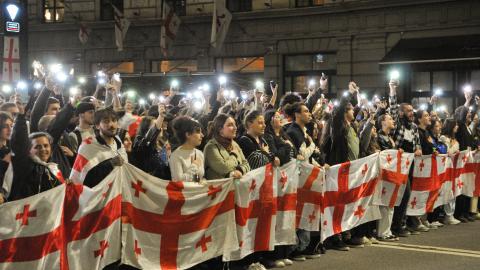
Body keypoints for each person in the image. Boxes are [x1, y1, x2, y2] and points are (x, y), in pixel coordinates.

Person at [8, 105, 64, 201]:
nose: (43, 149)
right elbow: (19, 143)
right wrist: (21, 117)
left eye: (46, 145)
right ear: (28, 150)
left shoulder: (53, 168)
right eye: (37, 147)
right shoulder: (24, 166)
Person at [389, 79, 422, 238]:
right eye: (408, 111)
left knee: (406, 195)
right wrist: (392, 89)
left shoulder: (414, 127)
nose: (412, 113)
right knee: (403, 194)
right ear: (402, 113)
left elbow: (418, 145)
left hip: (410, 165)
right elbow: (393, 107)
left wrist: (418, 150)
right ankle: (396, 225)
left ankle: (402, 223)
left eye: (412, 110)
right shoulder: (398, 124)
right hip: (398, 165)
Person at [70, 108, 128, 188]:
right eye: (106, 121)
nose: (112, 125)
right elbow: (85, 179)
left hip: (119, 192)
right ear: (97, 125)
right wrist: (110, 164)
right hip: (99, 197)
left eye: (114, 120)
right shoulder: (88, 146)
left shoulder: (119, 143)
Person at [203, 114, 250, 180]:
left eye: (235, 124)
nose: (235, 128)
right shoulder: (211, 147)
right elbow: (224, 168)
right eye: (230, 125)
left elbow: (246, 164)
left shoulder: (234, 144)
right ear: (220, 130)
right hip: (219, 188)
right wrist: (234, 155)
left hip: (236, 187)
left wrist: (240, 170)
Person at [439, 118, 461, 225]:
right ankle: (446, 214)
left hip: (453, 166)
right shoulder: (443, 138)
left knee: (453, 190)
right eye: (455, 125)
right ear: (451, 126)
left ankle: (450, 214)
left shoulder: (454, 139)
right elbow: (446, 152)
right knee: (446, 190)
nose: (457, 127)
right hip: (445, 167)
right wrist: (454, 151)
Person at [169, 116, 205, 182]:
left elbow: (199, 178)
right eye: (198, 132)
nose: (202, 135)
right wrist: (194, 166)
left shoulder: (199, 153)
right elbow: (178, 182)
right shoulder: (175, 156)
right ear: (188, 134)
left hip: (199, 191)